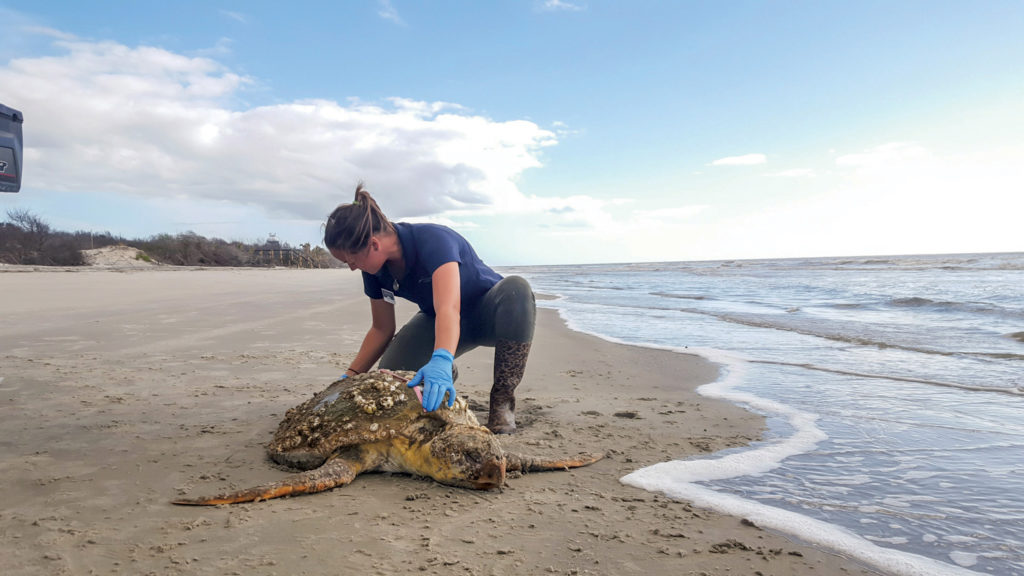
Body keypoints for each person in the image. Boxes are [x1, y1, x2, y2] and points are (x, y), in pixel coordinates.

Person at [323, 183, 536, 434]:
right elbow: (382, 329)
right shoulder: (375, 270)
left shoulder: (433, 240)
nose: (351, 267)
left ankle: (502, 402)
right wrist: (349, 377)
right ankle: (443, 371)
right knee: (393, 372)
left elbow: (449, 307)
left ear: (373, 244)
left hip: (489, 313)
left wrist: (441, 358)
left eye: (351, 259)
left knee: (517, 289)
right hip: (439, 321)